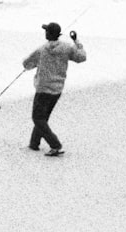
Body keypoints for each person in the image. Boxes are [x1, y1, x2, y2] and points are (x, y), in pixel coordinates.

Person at [22, 22, 86, 156]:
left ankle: (55, 145)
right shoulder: (66, 48)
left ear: (48, 34)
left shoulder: (42, 50)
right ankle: (34, 144)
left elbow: (26, 64)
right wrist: (77, 42)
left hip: (43, 89)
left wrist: (33, 65)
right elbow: (81, 57)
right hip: (57, 90)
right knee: (43, 118)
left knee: (37, 119)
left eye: (46, 31)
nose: (44, 32)